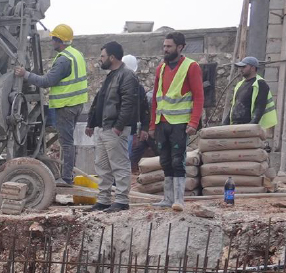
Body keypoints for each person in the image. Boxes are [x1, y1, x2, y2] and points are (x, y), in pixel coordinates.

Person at [15, 23, 91, 190]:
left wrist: (25, 74)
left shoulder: (63, 60)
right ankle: (68, 175)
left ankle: (66, 178)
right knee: (70, 142)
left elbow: (47, 82)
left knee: (66, 143)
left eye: (53, 40)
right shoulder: (75, 54)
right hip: (77, 104)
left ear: (59, 40)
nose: (52, 43)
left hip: (66, 105)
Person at [84, 42, 146, 213]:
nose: (100, 59)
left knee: (119, 165)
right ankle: (103, 200)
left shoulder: (126, 76)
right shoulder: (111, 75)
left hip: (115, 129)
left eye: (102, 56)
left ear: (112, 57)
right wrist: (91, 123)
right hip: (104, 128)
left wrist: (118, 126)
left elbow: (128, 104)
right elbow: (100, 101)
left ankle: (121, 200)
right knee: (102, 166)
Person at [146, 32, 204, 210]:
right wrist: (152, 124)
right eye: (164, 46)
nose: (165, 49)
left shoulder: (191, 67)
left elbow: (198, 96)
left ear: (180, 47)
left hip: (180, 123)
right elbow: (156, 98)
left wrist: (194, 122)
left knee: (177, 160)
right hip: (162, 122)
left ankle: (178, 199)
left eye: (169, 46)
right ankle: (167, 198)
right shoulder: (161, 69)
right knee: (165, 160)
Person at [229, 56, 279, 132]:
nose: (241, 69)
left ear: (252, 68)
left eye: (244, 67)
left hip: (249, 125)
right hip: (236, 125)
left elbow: (260, 107)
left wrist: (252, 126)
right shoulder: (240, 84)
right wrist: (226, 122)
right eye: (240, 67)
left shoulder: (260, 83)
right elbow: (234, 105)